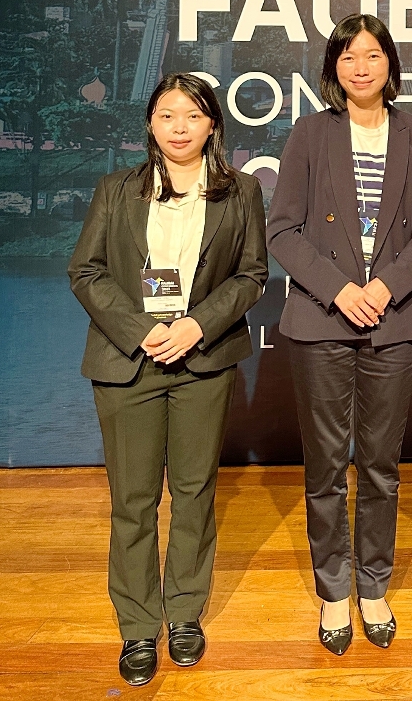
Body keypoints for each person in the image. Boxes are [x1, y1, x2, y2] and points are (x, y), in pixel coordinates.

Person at [68, 73, 268, 687]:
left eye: (192, 116)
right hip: (129, 361)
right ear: (151, 124)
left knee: (194, 492)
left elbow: (251, 274)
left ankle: (183, 614)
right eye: (166, 115)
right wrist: (141, 329)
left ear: (212, 125)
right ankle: (137, 626)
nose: (179, 127)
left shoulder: (242, 192)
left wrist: (197, 326)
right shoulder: (115, 189)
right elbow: (86, 271)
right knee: (132, 502)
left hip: (201, 363)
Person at [266, 13, 412, 656]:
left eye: (371, 55)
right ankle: (334, 590)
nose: (360, 67)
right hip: (323, 319)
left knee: (381, 465)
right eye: (347, 56)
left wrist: (386, 286)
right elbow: (282, 229)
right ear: (332, 68)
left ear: (390, 63)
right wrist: (338, 288)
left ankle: (373, 585)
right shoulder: (311, 133)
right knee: (325, 466)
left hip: (394, 319)